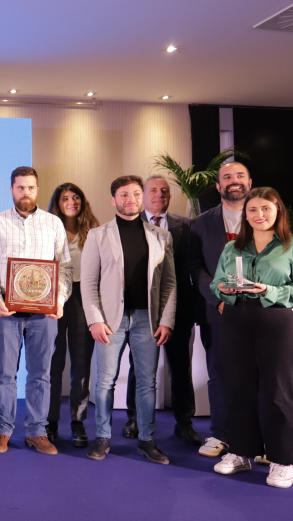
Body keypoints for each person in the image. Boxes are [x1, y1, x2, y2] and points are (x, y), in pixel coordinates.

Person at [210, 187, 293, 488]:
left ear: (278, 212)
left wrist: (268, 290)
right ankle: (242, 452)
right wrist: (224, 290)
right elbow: (217, 282)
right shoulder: (233, 248)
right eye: (253, 210)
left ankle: (283, 461)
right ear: (245, 215)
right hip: (236, 320)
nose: (259, 215)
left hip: (279, 321)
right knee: (239, 389)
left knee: (277, 393)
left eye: (266, 209)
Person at [81, 175, 177, 464]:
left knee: (147, 383)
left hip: (148, 320)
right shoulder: (98, 235)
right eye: (124, 194)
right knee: (105, 381)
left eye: (136, 194)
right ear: (114, 200)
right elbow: (88, 283)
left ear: (142, 198)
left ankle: (147, 440)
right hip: (111, 320)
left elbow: (170, 282)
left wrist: (167, 319)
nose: (131, 199)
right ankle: (103, 437)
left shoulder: (161, 236)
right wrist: (94, 320)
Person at [0, 166, 72, 455]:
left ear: (37, 189)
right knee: (5, 373)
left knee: (41, 373)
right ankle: (3, 430)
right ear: (11, 190)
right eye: (20, 188)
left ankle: (36, 432)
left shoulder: (54, 223)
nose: (26, 193)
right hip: (6, 310)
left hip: (45, 314)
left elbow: (65, 268)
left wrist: (59, 301)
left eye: (31, 188)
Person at [123, 175, 202, 446]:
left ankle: (185, 422)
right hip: (142, 309)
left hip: (179, 309)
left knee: (181, 367)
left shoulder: (187, 226)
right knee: (139, 367)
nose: (160, 195)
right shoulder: (130, 224)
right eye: (153, 190)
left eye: (165, 191)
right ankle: (134, 418)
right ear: (143, 195)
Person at [188, 161, 252, 457]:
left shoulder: (266, 216)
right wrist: (217, 296)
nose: (234, 181)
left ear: (249, 182)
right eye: (227, 177)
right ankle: (221, 435)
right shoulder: (201, 223)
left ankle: (259, 438)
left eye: (240, 176)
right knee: (219, 373)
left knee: (259, 374)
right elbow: (196, 268)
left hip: (260, 311)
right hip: (218, 311)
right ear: (218, 186)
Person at [44, 183, 99, 447]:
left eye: (76, 197)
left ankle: (78, 422)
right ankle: (50, 421)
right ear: (57, 202)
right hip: (52, 296)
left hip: (83, 297)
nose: (71, 201)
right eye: (65, 198)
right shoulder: (46, 228)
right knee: (53, 365)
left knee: (81, 364)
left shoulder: (94, 230)